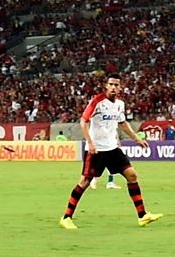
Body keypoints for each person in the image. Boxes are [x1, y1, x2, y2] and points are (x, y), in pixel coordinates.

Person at [60, 74, 161, 229]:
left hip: (112, 149)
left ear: (120, 88)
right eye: (111, 84)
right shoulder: (97, 102)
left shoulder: (119, 104)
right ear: (106, 86)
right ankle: (66, 217)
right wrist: (90, 142)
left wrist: (137, 139)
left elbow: (123, 123)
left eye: (116, 85)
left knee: (132, 175)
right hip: (96, 150)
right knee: (85, 182)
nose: (113, 87)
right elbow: (83, 121)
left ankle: (142, 215)